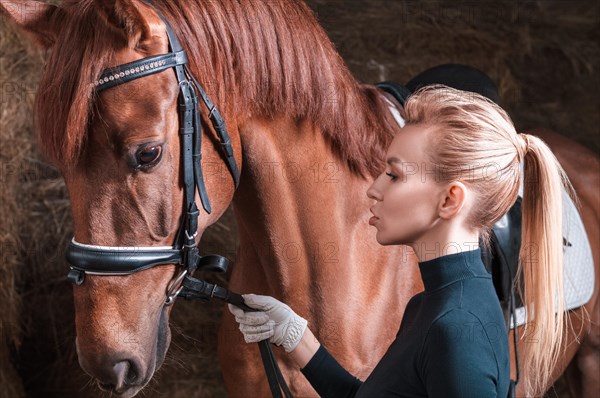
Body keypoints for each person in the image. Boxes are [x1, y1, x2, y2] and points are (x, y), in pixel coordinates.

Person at [228, 85, 574, 397]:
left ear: (449, 201)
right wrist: (296, 337)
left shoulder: (457, 329)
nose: (374, 189)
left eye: (394, 175)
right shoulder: (428, 306)